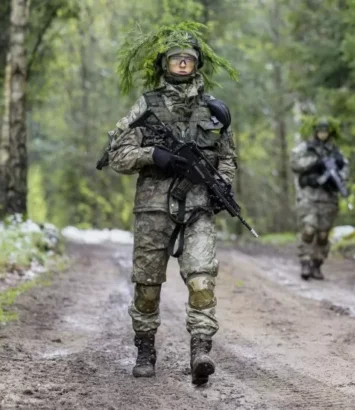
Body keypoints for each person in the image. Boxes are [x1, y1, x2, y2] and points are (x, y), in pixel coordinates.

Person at [107, 23, 238, 385]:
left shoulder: (214, 110)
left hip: (198, 207)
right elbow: (117, 155)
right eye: (176, 59)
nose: (182, 65)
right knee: (147, 286)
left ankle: (201, 350)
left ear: (197, 64)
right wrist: (154, 155)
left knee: (202, 280)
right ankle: (145, 349)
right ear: (165, 63)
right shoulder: (147, 106)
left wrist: (221, 185)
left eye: (188, 60)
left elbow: (228, 157)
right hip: (153, 208)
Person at [290, 118, 348, 280]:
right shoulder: (306, 148)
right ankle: (305, 261)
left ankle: (317, 263)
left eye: (325, 131)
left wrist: (336, 176)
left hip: (328, 198)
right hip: (309, 196)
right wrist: (315, 163)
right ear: (316, 132)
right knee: (309, 230)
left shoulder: (335, 151)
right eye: (320, 131)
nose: (323, 134)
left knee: (323, 235)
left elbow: (345, 171)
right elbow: (295, 163)